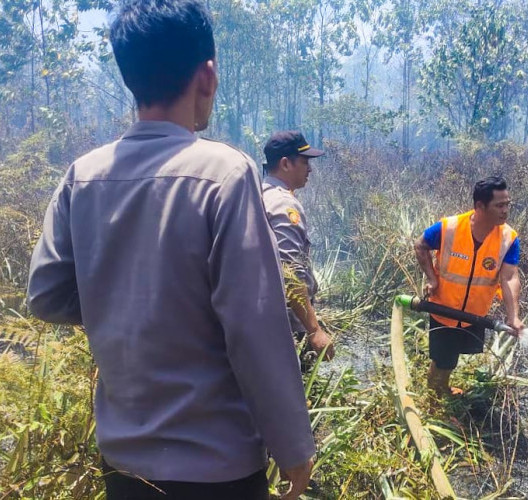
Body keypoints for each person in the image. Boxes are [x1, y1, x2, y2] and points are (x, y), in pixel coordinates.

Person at [26, 1, 314, 498]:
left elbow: (46, 294)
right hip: (217, 468)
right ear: (207, 76)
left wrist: (125, 304)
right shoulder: (225, 173)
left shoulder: (84, 175)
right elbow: (254, 325)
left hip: (125, 467)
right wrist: (294, 449)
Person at [414, 176, 524, 397]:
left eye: (507, 204)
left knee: (452, 356)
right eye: (499, 205)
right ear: (480, 206)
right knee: (443, 360)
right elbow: (420, 245)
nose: (505, 210)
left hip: (474, 313)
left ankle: (440, 389)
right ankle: (436, 398)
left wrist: (513, 316)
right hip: (443, 309)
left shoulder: (508, 238)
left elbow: (510, 277)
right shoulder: (450, 228)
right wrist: (432, 278)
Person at [261, 131, 335, 364]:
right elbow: (289, 272)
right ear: (285, 164)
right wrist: (314, 330)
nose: (310, 169)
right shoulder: (283, 204)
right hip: (286, 324)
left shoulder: (259, 194)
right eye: (304, 162)